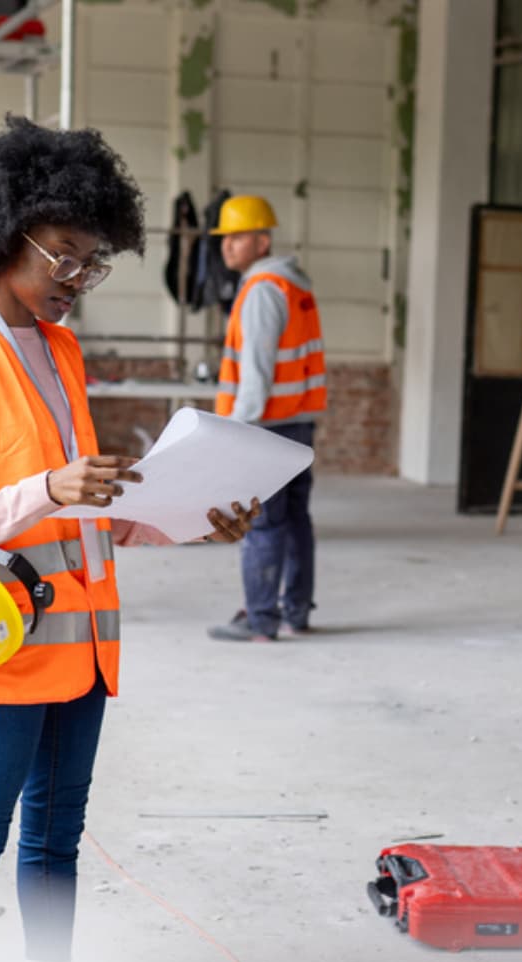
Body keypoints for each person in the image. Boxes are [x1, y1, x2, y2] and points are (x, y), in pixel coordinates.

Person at [0, 116, 258, 962]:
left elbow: (95, 502)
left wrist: (192, 522)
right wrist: (49, 489)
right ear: (1, 236)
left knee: (56, 837)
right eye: (63, 254)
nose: (77, 280)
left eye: (91, 261)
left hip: (86, 652)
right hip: (7, 646)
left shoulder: (62, 353)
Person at [205, 195, 327, 642]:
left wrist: (234, 431)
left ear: (263, 240)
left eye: (237, 237)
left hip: (265, 426)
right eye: (225, 238)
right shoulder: (295, 286)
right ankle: (296, 611)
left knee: (263, 524)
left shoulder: (260, 291)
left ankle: (259, 620)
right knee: (296, 521)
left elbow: (255, 372)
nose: (228, 247)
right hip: (298, 422)